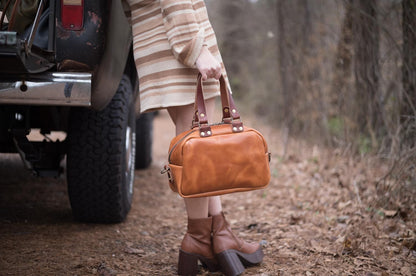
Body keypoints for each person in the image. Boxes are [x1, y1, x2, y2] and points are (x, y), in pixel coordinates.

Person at [126, 1, 264, 275]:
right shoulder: (189, 45)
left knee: (197, 143)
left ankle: (220, 233)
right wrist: (196, 49)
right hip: (179, 39)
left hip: (155, 36)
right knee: (198, 145)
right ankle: (199, 238)